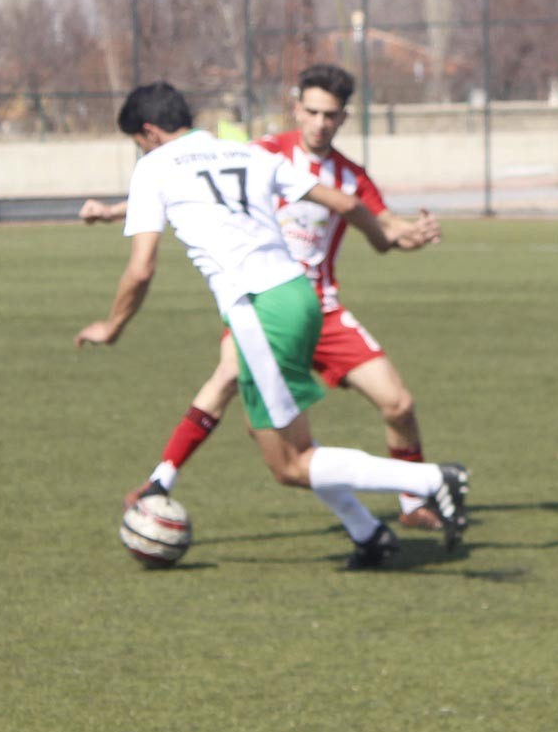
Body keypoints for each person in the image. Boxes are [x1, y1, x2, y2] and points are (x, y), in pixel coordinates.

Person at [75, 81, 469, 569]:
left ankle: (431, 481)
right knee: (284, 440)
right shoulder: (246, 154)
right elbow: (342, 202)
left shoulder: (154, 166)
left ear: (149, 133)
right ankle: (369, 535)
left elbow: (140, 269)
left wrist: (111, 327)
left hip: (258, 309)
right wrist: (389, 239)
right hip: (298, 296)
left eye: (137, 142)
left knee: (288, 465)